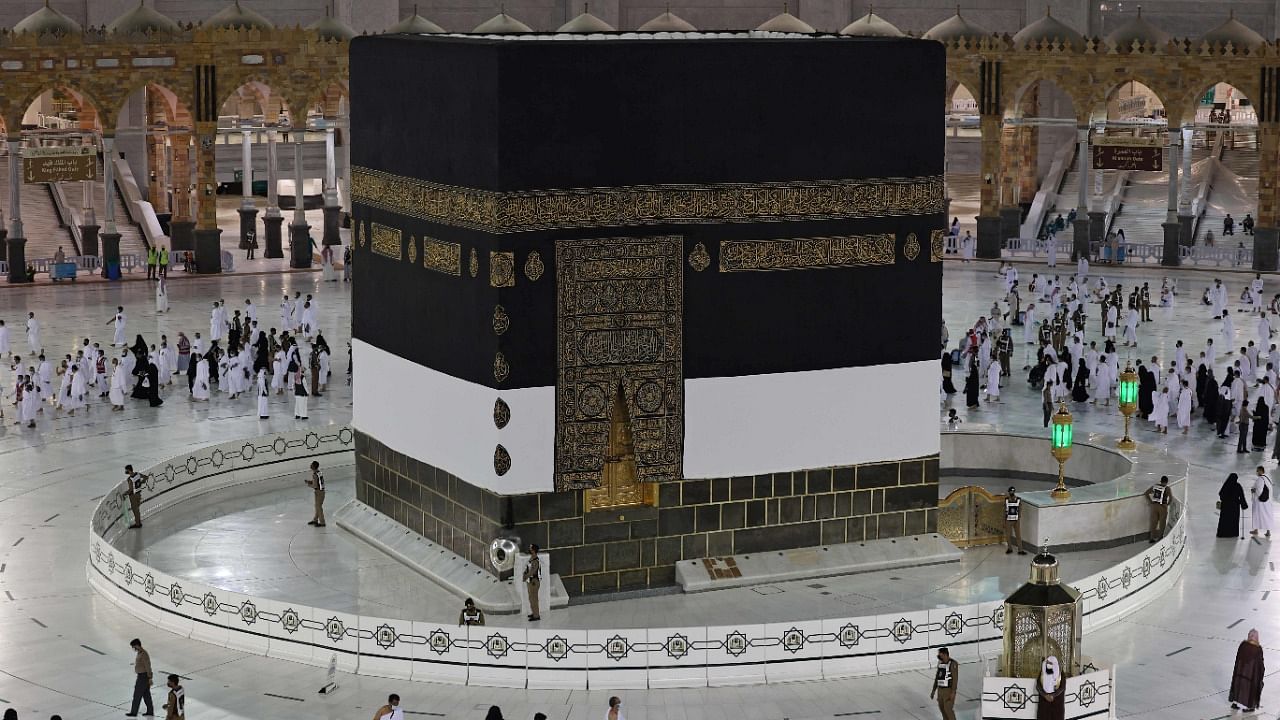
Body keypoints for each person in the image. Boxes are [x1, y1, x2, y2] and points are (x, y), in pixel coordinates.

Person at [1229, 629, 1265, 711]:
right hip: (1250, 677)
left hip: (1239, 674)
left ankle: (1235, 703)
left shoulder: (1243, 645)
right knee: (1250, 687)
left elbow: (1238, 659)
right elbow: (1260, 665)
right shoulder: (1257, 649)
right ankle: (1247, 707)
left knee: (1239, 686)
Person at [126, 638, 154, 717]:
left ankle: (134, 712)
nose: (133, 648)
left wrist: (150, 677)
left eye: (133, 646)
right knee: (146, 695)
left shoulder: (144, 654)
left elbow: (148, 666)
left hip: (143, 677)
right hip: (142, 676)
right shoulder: (140, 653)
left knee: (137, 695)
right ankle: (150, 711)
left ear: (137, 645)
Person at [930, 646, 958, 720]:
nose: (939, 656)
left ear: (945, 654)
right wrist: (933, 690)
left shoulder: (953, 664)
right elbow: (937, 678)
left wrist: (953, 692)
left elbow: (955, 679)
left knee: (948, 709)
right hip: (940, 691)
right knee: (942, 709)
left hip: (948, 691)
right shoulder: (940, 663)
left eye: (940, 654)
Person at [1218, 473, 1248, 539]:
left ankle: (1223, 533)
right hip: (1235, 506)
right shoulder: (1238, 486)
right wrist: (1244, 505)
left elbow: (1221, 495)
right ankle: (1233, 533)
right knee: (1234, 520)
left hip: (1226, 506)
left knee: (1224, 520)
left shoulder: (1226, 485)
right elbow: (1242, 496)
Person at [1144, 476, 1171, 543]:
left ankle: (1151, 538)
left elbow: (1146, 493)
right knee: (1162, 523)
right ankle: (1160, 538)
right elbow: (1171, 498)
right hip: (1162, 507)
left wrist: (1150, 502)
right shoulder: (1167, 488)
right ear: (1167, 482)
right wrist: (1167, 504)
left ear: (1160, 481)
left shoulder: (1155, 486)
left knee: (1154, 522)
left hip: (1154, 506)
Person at [123, 464, 149, 529]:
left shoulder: (130, 479)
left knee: (135, 510)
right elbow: (146, 477)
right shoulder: (137, 474)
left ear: (129, 470)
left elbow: (130, 490)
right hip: (139, 494)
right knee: (137, 509)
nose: (125, 471)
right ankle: (138, 521)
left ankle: (138, 524)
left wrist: (124, 494)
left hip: (133, 496)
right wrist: (141, 482)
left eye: (126, 470)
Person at [1251, 466, 1273, 538]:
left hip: (1260, 502)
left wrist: (1254, 491)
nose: (1257, 472)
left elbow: (1259, 490)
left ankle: (1256, 530)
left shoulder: (1260, 479)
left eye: (1257, 471)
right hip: (1267, 501)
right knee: (1267, 515)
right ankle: (1268, 531)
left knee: (1256, 515)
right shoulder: (1267, 478)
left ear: (1261, 471)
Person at [1003, 487, 1025, 555]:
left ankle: (1020, 550)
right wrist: (1004, 521)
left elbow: (1020, 509)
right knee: (1008, 535)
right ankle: (1010, 548)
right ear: (1009, 492)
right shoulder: (1006, 500)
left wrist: (1018, 518)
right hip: (1008, 520)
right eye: (1010, 492)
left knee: (1018, 535)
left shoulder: (1018, 499)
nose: (1011, 493)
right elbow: (1004, 511)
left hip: (1016, 520)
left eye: (1013, 492)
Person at [523, 543, 542, 621]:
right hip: (530, 581)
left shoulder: (535, 561)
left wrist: (525, 576)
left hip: (534, 581)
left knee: (534, 598)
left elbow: (533, 571)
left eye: (530, 548)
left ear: (534, 550)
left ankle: (536, 615)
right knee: (531, 598)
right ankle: (534, 613)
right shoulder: (531, 558)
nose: (529, 549)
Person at [306, 460, 325, 527]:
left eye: (311, 465)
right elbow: (317, 482)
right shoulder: (319, 472)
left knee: (318, 507)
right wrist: (310, 481)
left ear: (313, 466)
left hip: (319, 492)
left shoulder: (314, 475)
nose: (310, 465)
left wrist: (309, 484)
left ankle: (322, 522)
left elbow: (315, 485)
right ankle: (315, 520)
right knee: (317, 506)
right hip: (321, 491)